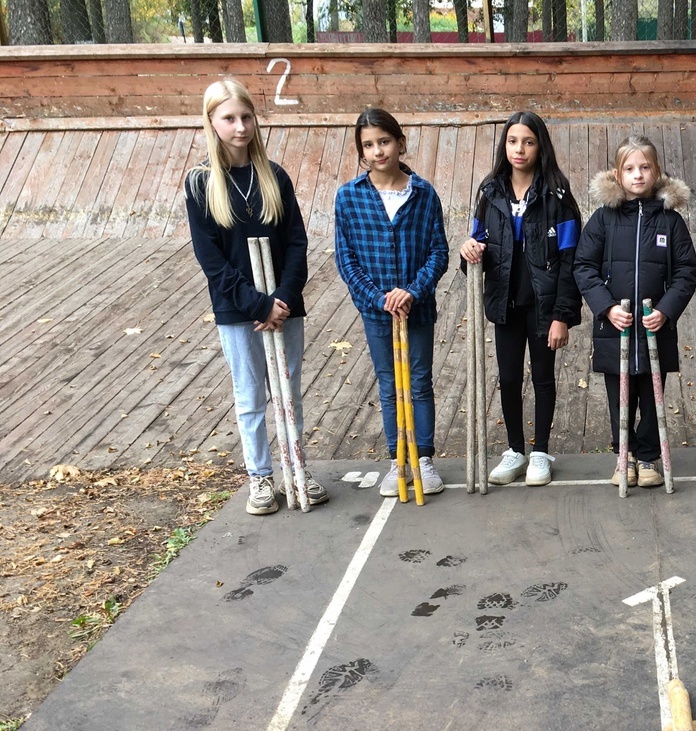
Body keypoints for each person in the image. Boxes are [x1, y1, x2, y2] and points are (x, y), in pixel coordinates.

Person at [185, 78, 327, 516]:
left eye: (246, 117)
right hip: (237, 310)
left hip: (284, 307)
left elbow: (297, 242)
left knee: (288, 393)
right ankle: (261, 477)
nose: (240, 126)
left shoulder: (274, 176)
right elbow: (211, 260)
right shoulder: (200, 183)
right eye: (229, 118)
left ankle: (294, 467)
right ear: (212, 122)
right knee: (250, 396)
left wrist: (281, 298)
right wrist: (256, 304)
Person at [459, 112, 582, 487]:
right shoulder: (490, 192)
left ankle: (540, 451)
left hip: (543, 306)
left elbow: (570, 260)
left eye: (528, 141)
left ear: (540, 145)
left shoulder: (558, 195)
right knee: (509, 378)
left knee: (543, 377)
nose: (520, 149)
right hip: (505, 304)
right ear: (504, 145)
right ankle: (515, 450)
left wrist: (562, 314)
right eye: (513, 141)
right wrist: (469, 251)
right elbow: (477, 247)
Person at [335, 108, 450, 497]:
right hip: (376, 310)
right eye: (368, 145)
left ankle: (424, 460)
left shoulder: (423, 193)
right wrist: (377, 297)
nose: (378, 151)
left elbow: (438, 252)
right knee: (389, 385)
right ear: (360, 151)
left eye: (384, 141)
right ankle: (396, 460)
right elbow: (345, 257)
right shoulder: (349, 197)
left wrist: (413, 290)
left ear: (400, 143)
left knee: (419, 382)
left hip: (416, 307)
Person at [574, 135, 696, 488]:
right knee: (620, 396)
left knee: (651, 392)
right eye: (630, 168)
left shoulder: (670, 221)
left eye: (645, 167)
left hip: (654, 329)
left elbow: (686, 271)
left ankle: (647, 458)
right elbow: (584, 266)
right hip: (617, 330)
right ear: (618, 173)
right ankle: (623, 456)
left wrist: (666, 310)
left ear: (656, 171)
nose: (638, 175)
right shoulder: (602, 219)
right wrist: (606, 307)